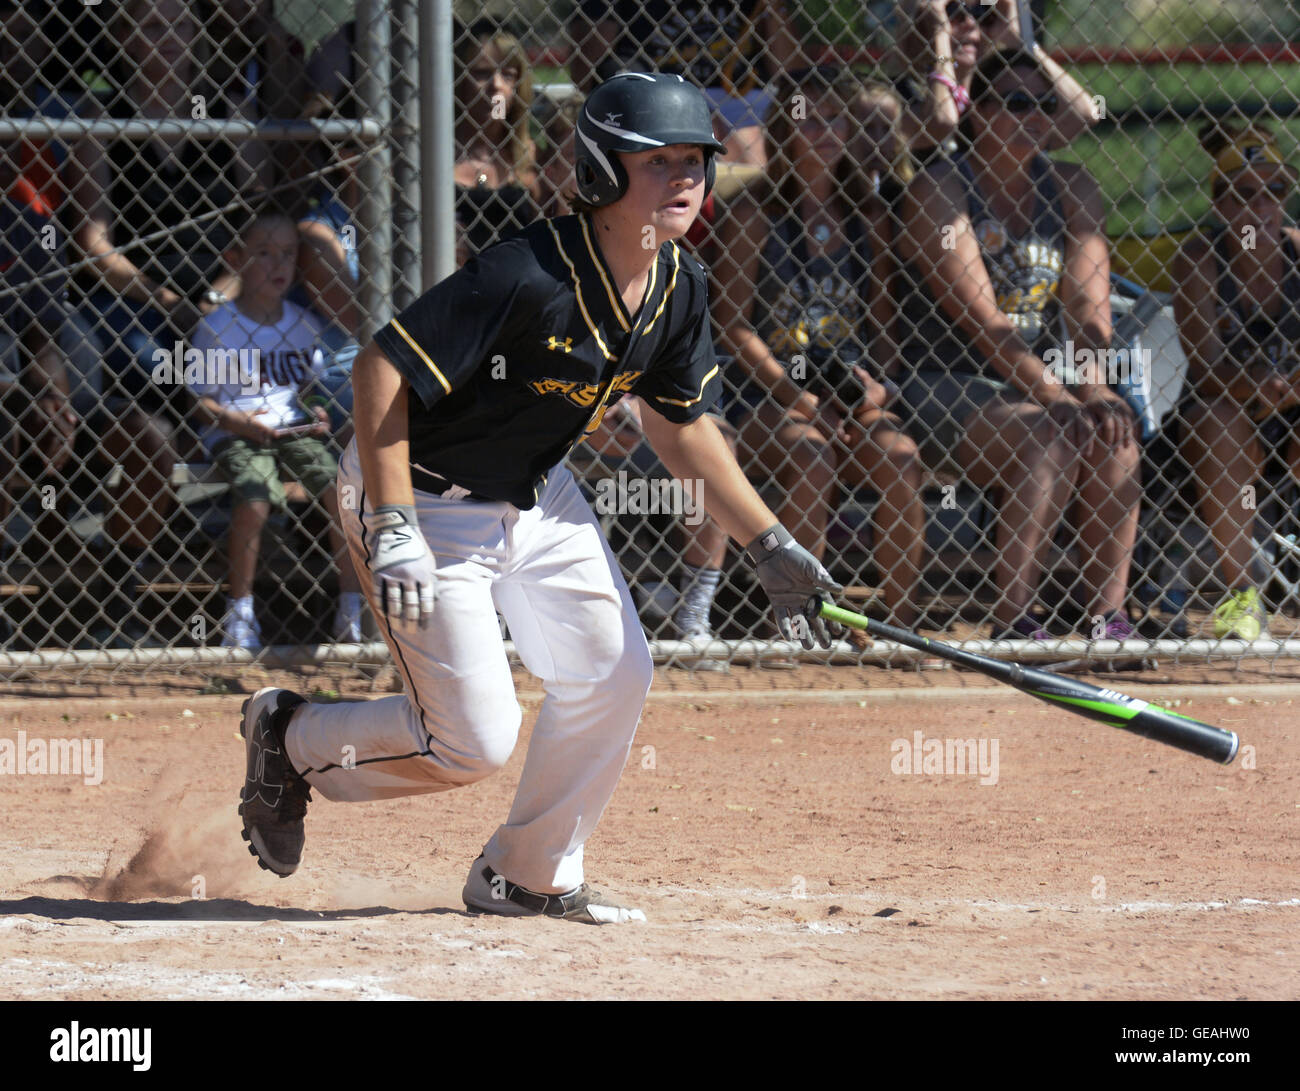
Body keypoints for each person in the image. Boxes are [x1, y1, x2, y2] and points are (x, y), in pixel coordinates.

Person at [236, 74, 841, 923]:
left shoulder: (681, 285)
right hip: (424, 493)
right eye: (657, 159)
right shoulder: (528, 271)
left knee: (614, 673)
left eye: (695, 160)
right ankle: (290, 737)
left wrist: (767, 540)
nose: (685, 177)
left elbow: (682, 429)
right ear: (601, 168)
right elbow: (381, 370)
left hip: (537, 493)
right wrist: (393, 519)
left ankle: (528, 873)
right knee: (471, 742)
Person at [895, 48, 1141, 640]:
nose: (1032, 115)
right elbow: (984, 321)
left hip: (1039, 386)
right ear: (977, 111)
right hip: (943, 380)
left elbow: (1088, 307)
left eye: (1044, 104)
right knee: (1051, 432)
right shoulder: (941, 188)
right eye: (1014, 102)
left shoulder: (1071, 185)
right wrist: (1058, 396)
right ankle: (1014, 618)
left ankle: (1107, 620)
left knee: (1115, 436)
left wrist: (1095, 391)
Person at [713, 69, 928, 630]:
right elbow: (734, 327)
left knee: (900, 457)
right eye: (810, 119)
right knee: (810, 454)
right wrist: (800, 398)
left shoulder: (868, 217)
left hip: (852, 395)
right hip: (768, 395)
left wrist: (879, 387)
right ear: (784, 130)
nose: (826, 130)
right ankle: (802, 614)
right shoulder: (755, 213)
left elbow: (883, 327)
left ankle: (899, 625)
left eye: (837, 118)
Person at [68, 0, 251, 645]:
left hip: (216, 303)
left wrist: (222, 296)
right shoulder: (103, 115)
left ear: (197, 34)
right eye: (148, 24)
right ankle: (119, 578)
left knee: (258, 367)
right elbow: (94, 241)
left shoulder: (224, 114)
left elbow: (250, 231)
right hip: (132, 303)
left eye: (177, 24)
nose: (165, 38)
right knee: (151, 366)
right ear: (123, 34)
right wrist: (161, 294)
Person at [187, 206, 362, 649]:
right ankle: (240, 612)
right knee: (257, 493)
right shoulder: (219, 327)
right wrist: (240, 422)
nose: (279, 264)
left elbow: (311, 389)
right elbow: (201, 404)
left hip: (291, 430)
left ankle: (351, 606)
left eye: (287, 254)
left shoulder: (303, 324)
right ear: (236, 259)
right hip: (235, 432)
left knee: (338, 487)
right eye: (264, 253)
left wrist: (319, 412)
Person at [1172, 122, 1300, 641]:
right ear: (1222, 204)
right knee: (1221, 421)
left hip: (1291, 408)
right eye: (1246, 193)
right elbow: (1205, 369)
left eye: (1274, 190)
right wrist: (1257, 386)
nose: (1262, 205)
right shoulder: (1202, 260)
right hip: (1223, 409)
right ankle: (1241, 596)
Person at [569, 1, 807, 167]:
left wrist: (773, 6)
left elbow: (793, 75)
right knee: (732, 143)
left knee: (754, 140)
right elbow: (583, 74)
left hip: (741, 99)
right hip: (658, 98)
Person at [891, 0, 1097, 162]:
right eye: (953, 11)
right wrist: (940, 37)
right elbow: (942, 120)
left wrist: (1020, 41)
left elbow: (1083, 115)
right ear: (923, 20)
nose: (971, 23)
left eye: (983, 13)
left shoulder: (1000, 96)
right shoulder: (896, 95)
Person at [453, 20, 541, 258]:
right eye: (482, 73)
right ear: (459, 80)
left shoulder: (530, 154)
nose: (496, 85)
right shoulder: (436, 153)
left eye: (508, 75)